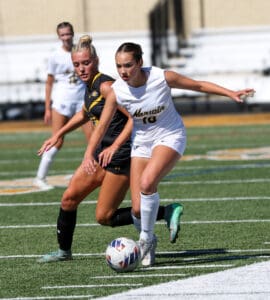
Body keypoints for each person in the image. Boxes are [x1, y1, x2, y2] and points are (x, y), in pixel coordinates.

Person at [81, 42, 255, 261]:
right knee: (136, 209)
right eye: (119, 66)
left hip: (170, 136)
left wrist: (230, 92)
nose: (123, 71)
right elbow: (102, 125)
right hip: (141, 142)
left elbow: (198, 86)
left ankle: (145, 240)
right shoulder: (117, 91)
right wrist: (89, 153)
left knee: (147, 183)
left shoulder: (161, 77)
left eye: (128, 65)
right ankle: (151, 238)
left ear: (140, 62)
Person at [37, 36, 183, 266]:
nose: (81, 68)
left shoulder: (106, 85)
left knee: (106, 215)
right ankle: (63, 251)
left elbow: (132, 119)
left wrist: (115, 146)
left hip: (121, 155)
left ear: (95, 60)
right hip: (101, 154)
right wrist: (59, 133)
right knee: (69, 200)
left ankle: (163, 214)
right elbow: (85, 113)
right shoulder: (90, 86)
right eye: (76, 64)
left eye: (86, 63)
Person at [33, 22, 91, 190]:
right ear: (59, 37)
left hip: (82, 102)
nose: (66, 37)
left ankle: (95, 175)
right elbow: (49, 83)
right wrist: (47, 108)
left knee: (93, 140)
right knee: (57, 140)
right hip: (62, 102)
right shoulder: (55, 56)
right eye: (63, 35)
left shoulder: (80, 52)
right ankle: (40, 178)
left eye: (68, 34)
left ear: (73, 34)